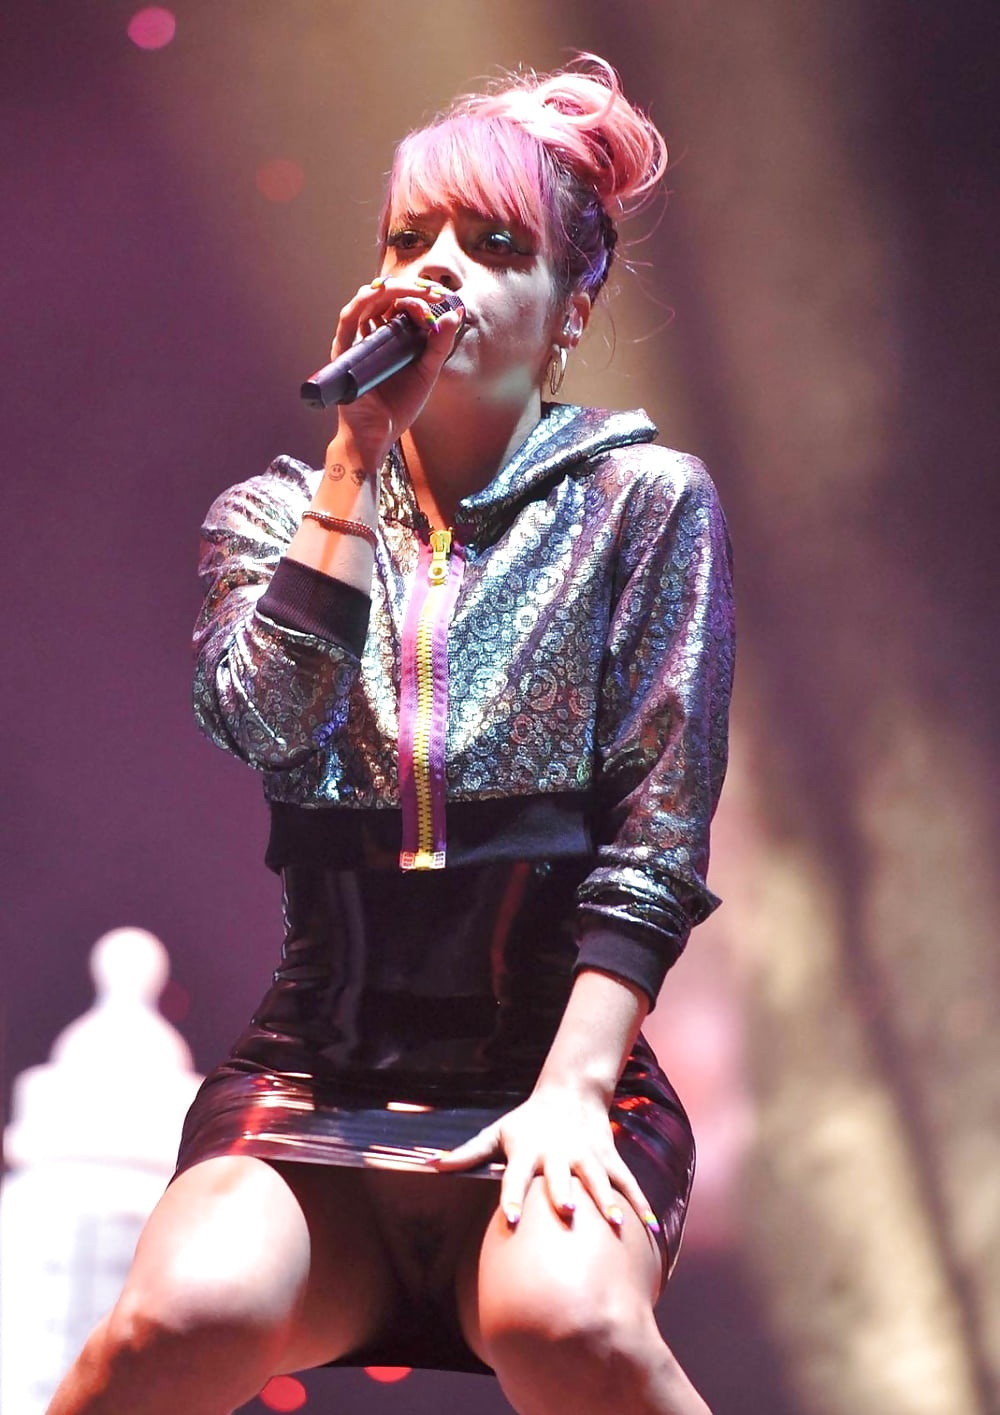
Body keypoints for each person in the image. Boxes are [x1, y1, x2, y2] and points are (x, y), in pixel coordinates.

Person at [48, 55, 733, 1415]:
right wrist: (358, 460)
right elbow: (259, 718)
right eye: (410, 237)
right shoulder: (277, 514)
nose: (438, 271)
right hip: (317, 1074)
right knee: (172, 1322)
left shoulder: (644, 503)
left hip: (558, 1068)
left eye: (494, 245)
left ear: (570, 308)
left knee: (570, 1327)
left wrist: (572, 1090)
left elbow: (659, 836)